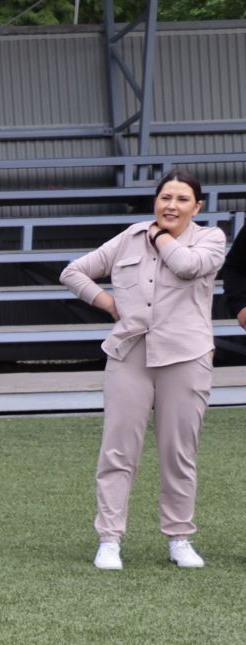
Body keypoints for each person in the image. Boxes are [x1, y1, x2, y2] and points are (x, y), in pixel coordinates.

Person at [61, 169, 227, 571]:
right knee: (117, 449)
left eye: (182, 199)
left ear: (197, 206)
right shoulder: (130, 236)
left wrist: (162, 237)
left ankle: (179, 537)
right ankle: (109, 539)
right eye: (165, 197)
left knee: (179, 453)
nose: (171, 205)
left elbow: (187, 267)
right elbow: (73, 272)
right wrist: (108, 302)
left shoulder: (211, 239)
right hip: (129, 354)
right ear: (155, 200)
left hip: (186, 356)